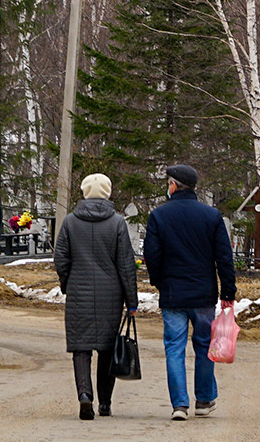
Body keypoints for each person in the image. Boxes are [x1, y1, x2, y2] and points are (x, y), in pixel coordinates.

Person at [142, 163, 236, 421]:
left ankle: (179, 405)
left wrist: (159, 281)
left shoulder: (159, 216)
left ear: (173, 185)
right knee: (205, 345)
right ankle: (204, 400)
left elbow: (152, 255)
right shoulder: (211, 216)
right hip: (203, 293)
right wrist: (228, 290)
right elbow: (224, 257)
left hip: (173, 292)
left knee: (174, 347)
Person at [54, 173, 138, 421]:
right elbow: (126, 265)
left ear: (83, 192)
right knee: (106, 347)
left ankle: (84, 396)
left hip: (79, 292)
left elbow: (61, 259)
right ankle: (105, 403)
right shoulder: (117, 223)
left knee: (80, 348)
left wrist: (67, 284)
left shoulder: (70, 222)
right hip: (110, 294)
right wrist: (131, 300)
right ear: (108, 192)